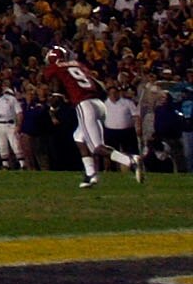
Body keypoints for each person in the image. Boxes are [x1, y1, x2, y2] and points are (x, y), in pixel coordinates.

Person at [35, 46, 130, 186]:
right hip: (99, 103)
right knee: (78, 137)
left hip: (85, 105)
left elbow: (56, 95)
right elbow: (101, 87)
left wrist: (53, 107)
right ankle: (91, 174)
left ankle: (129, 161)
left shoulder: (54, 69)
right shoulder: (79, 65)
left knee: (96, 147)